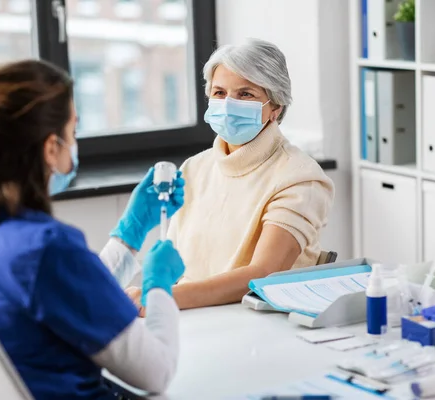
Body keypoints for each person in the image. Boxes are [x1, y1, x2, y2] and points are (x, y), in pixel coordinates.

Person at [0, 60, 187, 400]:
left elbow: (68, 295)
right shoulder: (46, 248)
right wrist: (159, 285)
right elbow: (157, 371)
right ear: (50, 147)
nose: (74, 143)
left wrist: (130, 234)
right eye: (72, 131)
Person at [127, 38, 334, 313]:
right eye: (219, 92)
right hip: (190, 318)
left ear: (276, 107)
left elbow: (264, 273)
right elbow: (174, 267)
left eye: (246, 94)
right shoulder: (193, 168)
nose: (228, 104)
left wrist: (165, 298)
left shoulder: (300, 178)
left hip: (254, 325)